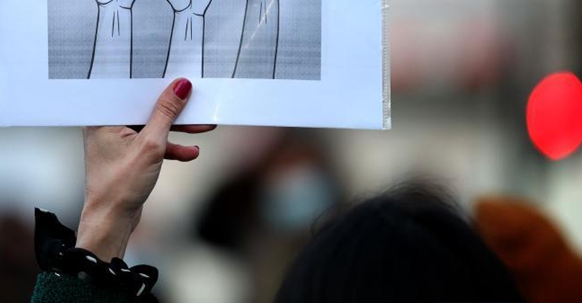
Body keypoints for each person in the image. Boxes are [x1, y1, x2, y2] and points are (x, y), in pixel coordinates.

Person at [29, 79, 525, 303]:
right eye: (281, 167)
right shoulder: (252, 221)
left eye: (298, 165)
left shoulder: (346, 250)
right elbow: (209, 227)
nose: (292, 182)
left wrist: (107, 214)